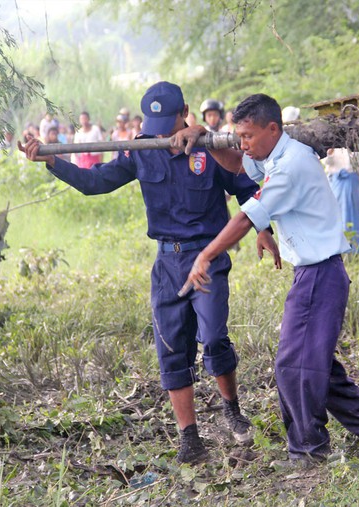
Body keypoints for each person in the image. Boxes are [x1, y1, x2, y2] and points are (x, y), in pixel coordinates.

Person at [19, 81, 271, 465]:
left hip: (207, 257)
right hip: (167, 264)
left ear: (183, 111)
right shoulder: (141, 150)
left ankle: (231, 408)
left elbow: (244, 185)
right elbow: (95, 182)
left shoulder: (209, 147)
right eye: (153, 123)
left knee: (215, 337)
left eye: (166, 122)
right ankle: (190, 438)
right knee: (171, 348)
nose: (159, 131)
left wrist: (263, 228)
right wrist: (52, 161)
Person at [176, 93, 359, 468]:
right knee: (317, 365)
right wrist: (206, 137)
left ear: (273, 128)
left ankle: (308, 450)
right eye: (238, 135)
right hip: (312, 273)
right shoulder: (274, 155)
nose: (243, 144)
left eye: (248, 135)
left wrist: (205, 254)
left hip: (320, 274)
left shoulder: (292, 164)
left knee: (294, 365)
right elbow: (239, 168)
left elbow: (246, 219)